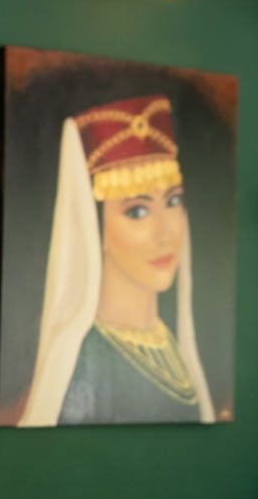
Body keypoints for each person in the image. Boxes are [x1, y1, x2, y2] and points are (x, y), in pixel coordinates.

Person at [18, 94, 215, 426]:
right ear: (94, 227)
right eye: (137, 211)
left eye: (173, 202)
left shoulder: (169, 343)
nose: (164, 234)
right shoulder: (83, 362)